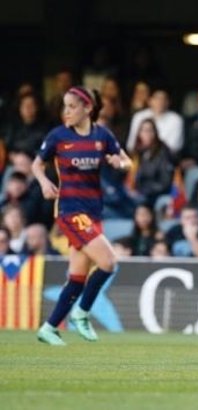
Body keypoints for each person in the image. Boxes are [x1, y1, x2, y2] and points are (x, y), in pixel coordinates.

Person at [32, 85, 132, 346]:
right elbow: (37, 164)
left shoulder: (102, 135)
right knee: (109, 262)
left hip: (93, 211)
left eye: (72, 106)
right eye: (65, 106)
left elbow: (127, 161)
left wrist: (119, 163)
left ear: (87, 108)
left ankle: (49, 327)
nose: (67, 112)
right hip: (69, 210)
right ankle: (82, 312)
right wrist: (44, 182)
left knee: (77, 277)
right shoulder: (58, 136)